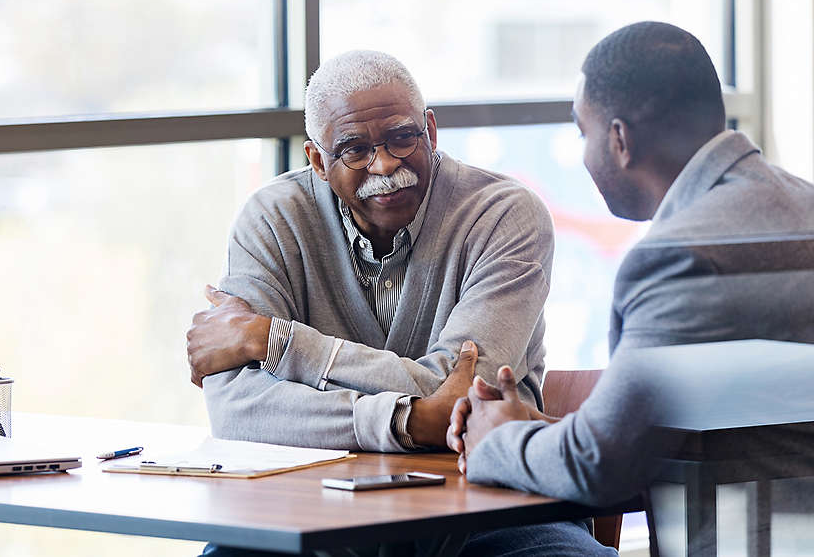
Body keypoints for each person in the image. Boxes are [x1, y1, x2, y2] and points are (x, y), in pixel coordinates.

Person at [187, 50, 615, 556]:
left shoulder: (503, 215)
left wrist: (275, 342)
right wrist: (404, 422)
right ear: (318, 161)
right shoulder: (273, 219)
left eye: (402, 138)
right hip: (317, 514)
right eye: (354, 149)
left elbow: (460, 395)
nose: (385, 164)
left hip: (491, 509)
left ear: (431, 131)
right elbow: (238, 410)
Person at [449, 21, 814, 510]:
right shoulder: (801, 207)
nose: (583, 154)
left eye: (584, 132)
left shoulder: (675, 258)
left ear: (619, 139)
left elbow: (602, 467)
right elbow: (736, 429)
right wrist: (532, 430)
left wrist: (494, 442)